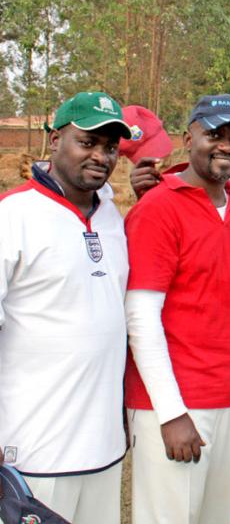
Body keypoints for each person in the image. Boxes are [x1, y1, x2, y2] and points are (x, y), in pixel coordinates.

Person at [0, 92, 132, 523]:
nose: (101, 155)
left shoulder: (111, 216)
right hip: (34, 450)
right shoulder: (15, 214)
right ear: (55, 140)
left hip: (103, 449)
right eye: (88, 141)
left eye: (111, 147)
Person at [124, 94, 230, 524]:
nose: (226, 146)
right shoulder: (159, 207)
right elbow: (141, 317)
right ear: (188, 138)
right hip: (179, 403)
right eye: (214, 134)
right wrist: (171, 412)